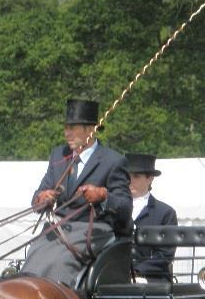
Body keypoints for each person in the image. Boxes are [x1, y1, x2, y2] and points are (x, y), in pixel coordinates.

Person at [22, 98, 132, 286]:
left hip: (93, 230)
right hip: (57, 229)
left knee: (59, 265)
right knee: (30, 262)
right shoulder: (59, 155)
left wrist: (103, 195)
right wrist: (42, 198)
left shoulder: (113, 161)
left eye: (72, 128)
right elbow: (38, 195)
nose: (67, 134)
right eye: (65, 128)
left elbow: (125, 207)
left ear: (90, 130)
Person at [127, 153, 178, 282]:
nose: (130, 181)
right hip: (118, 273)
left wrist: (137, 271)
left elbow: (165, 254)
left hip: (151, 276)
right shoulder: (115, 208)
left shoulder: (165, 213)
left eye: (136, 176)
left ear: (150, 179)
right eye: (128, 176)